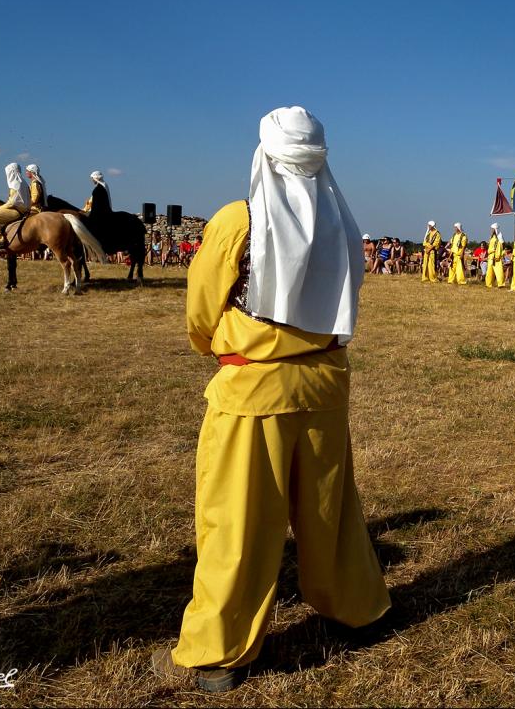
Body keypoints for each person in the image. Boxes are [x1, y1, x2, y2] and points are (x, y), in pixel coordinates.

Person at [152, 107, 390, 692]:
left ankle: (220, 651)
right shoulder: (341, 220)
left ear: (264, 152)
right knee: (331, 511)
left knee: (238, 520)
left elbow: (202, 305)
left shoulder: (239, 218)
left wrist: (215, 345)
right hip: (325, 385)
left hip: (253, 390)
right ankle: (356, 609)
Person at [0, 163, 31, 252]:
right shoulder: (23, 182)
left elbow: (12, 202)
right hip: (22, 210)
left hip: (16, 210)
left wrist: (0, 208)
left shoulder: (15, 183)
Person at [485, 223, 506, 288]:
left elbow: (502, 247)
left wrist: (499, 255)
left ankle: (501, 284)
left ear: (495, 229)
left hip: (496, 257)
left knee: (499, 271)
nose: (491, 230)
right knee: (489, 271)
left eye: (492, 229)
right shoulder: (491, 237)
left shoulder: (499, 237)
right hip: (490, 257)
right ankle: (488, 284)